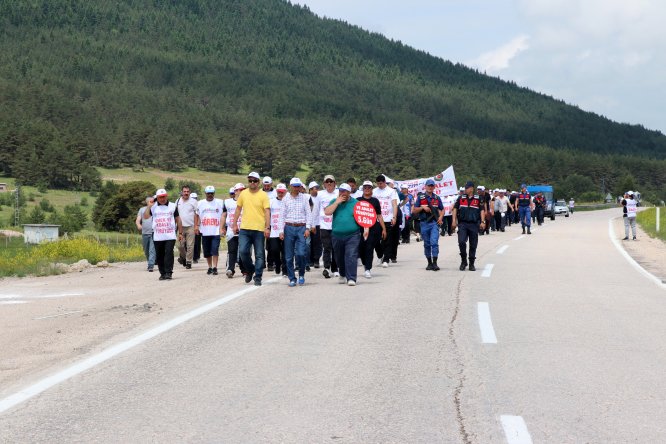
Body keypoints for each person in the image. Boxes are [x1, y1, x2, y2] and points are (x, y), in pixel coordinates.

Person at [232, 172, 271, 286]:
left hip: (259, 229)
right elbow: (238, 209)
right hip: (244, 228)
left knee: (259, 254)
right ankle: (250, 269)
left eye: (254, 181)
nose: (252, 183)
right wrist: (234, 224)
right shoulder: (243, 194)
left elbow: (267, 212)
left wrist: (267, 227)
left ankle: (258, 276)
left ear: (258, 182)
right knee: (243, 252)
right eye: (250, 181)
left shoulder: (263, 195)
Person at [324, 183, 361, 286]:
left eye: (344, 191)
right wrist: (336, 202)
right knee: (339, 257)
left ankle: (352, 278)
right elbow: (327, 212)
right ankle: (342, 274)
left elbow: (363, 218)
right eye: (340, 191)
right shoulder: (334, 201)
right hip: (337, 234)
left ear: (349, 192)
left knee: (351, 256)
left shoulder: (356, 203)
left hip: (353, 234)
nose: (342, 193)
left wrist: (366, 229)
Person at [279, 178, 312, 287]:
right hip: (289, 227)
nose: (297, 188)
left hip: (301, 227)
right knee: (288, 256)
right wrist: (281, 230)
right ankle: (292, 278)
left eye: (298, 186)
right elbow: (281, 216)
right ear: (290, 186)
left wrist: (308, 228)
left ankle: (301, 274)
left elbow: (308, 213)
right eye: (295, 186)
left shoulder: (304, 198)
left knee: (301, 253)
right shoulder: (285, 199)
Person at [143, 188, 180, 280]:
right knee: (159, 255)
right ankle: (162, 273)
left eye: (164, 197)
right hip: (158, 235)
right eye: (160, 197)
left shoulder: (173, 206)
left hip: (170, 234)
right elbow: (146, 216)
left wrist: (181, 233)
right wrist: (149, 206)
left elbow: (178, 219)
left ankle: (168, 272)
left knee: (168, 253)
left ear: (166, 196)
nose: (162, 199)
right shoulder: (153, 207)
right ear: (157, 198)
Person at [452, 181, 485, 271]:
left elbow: (482, 210)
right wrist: (454, 221)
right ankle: (463, 261)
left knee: (473, 244)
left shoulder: (478, 198)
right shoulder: (460, 198)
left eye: (467, 188)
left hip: (474, 224)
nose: (465, 190)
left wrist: (483, 221)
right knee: (461, 242)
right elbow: (455, 209)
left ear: (471, 189)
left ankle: (471, 263)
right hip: (463, 224)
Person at [356, 180, 387, 279]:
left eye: (369, 187)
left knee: (369, 248)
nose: (367, 189)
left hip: (373, 228)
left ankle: (368, 269)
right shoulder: (357, 200)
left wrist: (384, 229)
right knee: (361, 249)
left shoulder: (375, 201)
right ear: (363, 188)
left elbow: (379, 215)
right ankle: (365, 265)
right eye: (365, 187)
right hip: (360, 229)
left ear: (372, 189)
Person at [413, 178, 445, 270]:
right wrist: (423, 207)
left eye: (432, 186)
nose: (430, 187)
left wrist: (440, 217)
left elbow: (442, 209)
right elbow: (414, 210)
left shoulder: (437, 198)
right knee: (427, 244)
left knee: (434, 243)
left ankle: (435, 263)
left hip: (434, 223)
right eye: (429, 185)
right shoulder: (421, 197)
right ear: (425, 186)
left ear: (434, 187)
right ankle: (429, 263)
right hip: (424, 223)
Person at [194, 186, 225, 275]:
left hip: (216, 231)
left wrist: (223, 228)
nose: (210, 195)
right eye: (208, 193)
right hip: (205, 231)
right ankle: (209, 267)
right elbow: (197, 215)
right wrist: (196, 226)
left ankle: (215, 267)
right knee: (207, 251)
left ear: (214, 193)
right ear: (205, 193)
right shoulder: (200, 203)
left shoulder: (219, 202)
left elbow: (224, 214)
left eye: (212, 193)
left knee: (215, 249)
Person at [315, 174, 340, 278]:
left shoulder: (338, 193)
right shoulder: (320, 194)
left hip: (335, 225)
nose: (329, 184)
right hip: (324, 225)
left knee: (335, 248)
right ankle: (326, 268)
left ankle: (335, 269)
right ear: (324, 184)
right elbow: (316, 209)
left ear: (335, 183)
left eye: (331, 182)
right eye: (327, 182)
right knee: (326, 247)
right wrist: (313, 224)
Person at [373, 174, 399, 267]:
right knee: (376, 240)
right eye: (378, 184)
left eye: (381, 183)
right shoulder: (374, 192)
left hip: (388, 218)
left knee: (387, 240)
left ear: (384, 182)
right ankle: (380, 255)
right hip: (376, 219)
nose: (380, 185)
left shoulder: (391, 191)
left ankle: (386, 259)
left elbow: (394, 204)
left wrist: (394, 217)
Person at [221, 184, 246, 279]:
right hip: (231, 231)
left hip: (244, 230)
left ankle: (245, 270)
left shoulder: (247, 202)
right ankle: (230, 269)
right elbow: (223, 215)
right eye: (241, 190)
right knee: (232, 251)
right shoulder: (227, 202)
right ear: (235, 191)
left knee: (243, 251)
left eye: (244, 189)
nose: (243, 191)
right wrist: (221, 228)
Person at [175, 185, 197, 269]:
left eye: (188, 192)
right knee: (180, 245)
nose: (186, 193)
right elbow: (175, 215)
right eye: (184, 191)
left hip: (191, 226)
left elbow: (196, 214)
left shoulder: (193, 202)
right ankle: (183, 258)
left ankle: (188, 262)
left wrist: (196, 226)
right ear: (182, 192)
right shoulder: (177, 201)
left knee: (190, 245)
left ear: (190, 192)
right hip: (180, 227)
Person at [267, 183, 287, 276]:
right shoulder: (271, 202)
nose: (280, 193)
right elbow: (267, 215)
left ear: (285, 192)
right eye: (279, 192)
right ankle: (277, 263)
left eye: (282, 192)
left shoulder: (288, 201)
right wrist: (267, 227)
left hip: (285, 230)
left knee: (285, 251)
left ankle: (285, 269)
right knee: (274, 250)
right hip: (274, 230)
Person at [135, 196, 156, 272]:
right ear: (147, 202)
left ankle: (151, 265)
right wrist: (138, 225)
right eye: (151, 201)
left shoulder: (156, 209)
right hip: (145, 233)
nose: (153, 203)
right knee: (146, 249)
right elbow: (138, 219)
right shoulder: (142, 209)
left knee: (152, 250)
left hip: (154, 233)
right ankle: (151, 261)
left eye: (153, 201)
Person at [308, 181, 322, 269]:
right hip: (309, 224)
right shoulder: (307, 198)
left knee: (317, 243)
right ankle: (310, 260)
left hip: (318, 223)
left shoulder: (320, 198)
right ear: (310, 189)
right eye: (314, 188)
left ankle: (316, 260)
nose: (316, 190)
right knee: (309, 243)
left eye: (317, 188)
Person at [190, 192, 202, 263]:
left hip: (198, 225)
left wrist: (198, 225)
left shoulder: (199, 205)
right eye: (193, 198)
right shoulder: (189, 205)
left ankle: (196, 256)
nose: (194, 200)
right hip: (190, 225)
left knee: (197, 242)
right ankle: (190, 256)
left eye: (195, 198)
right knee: (190, 242)